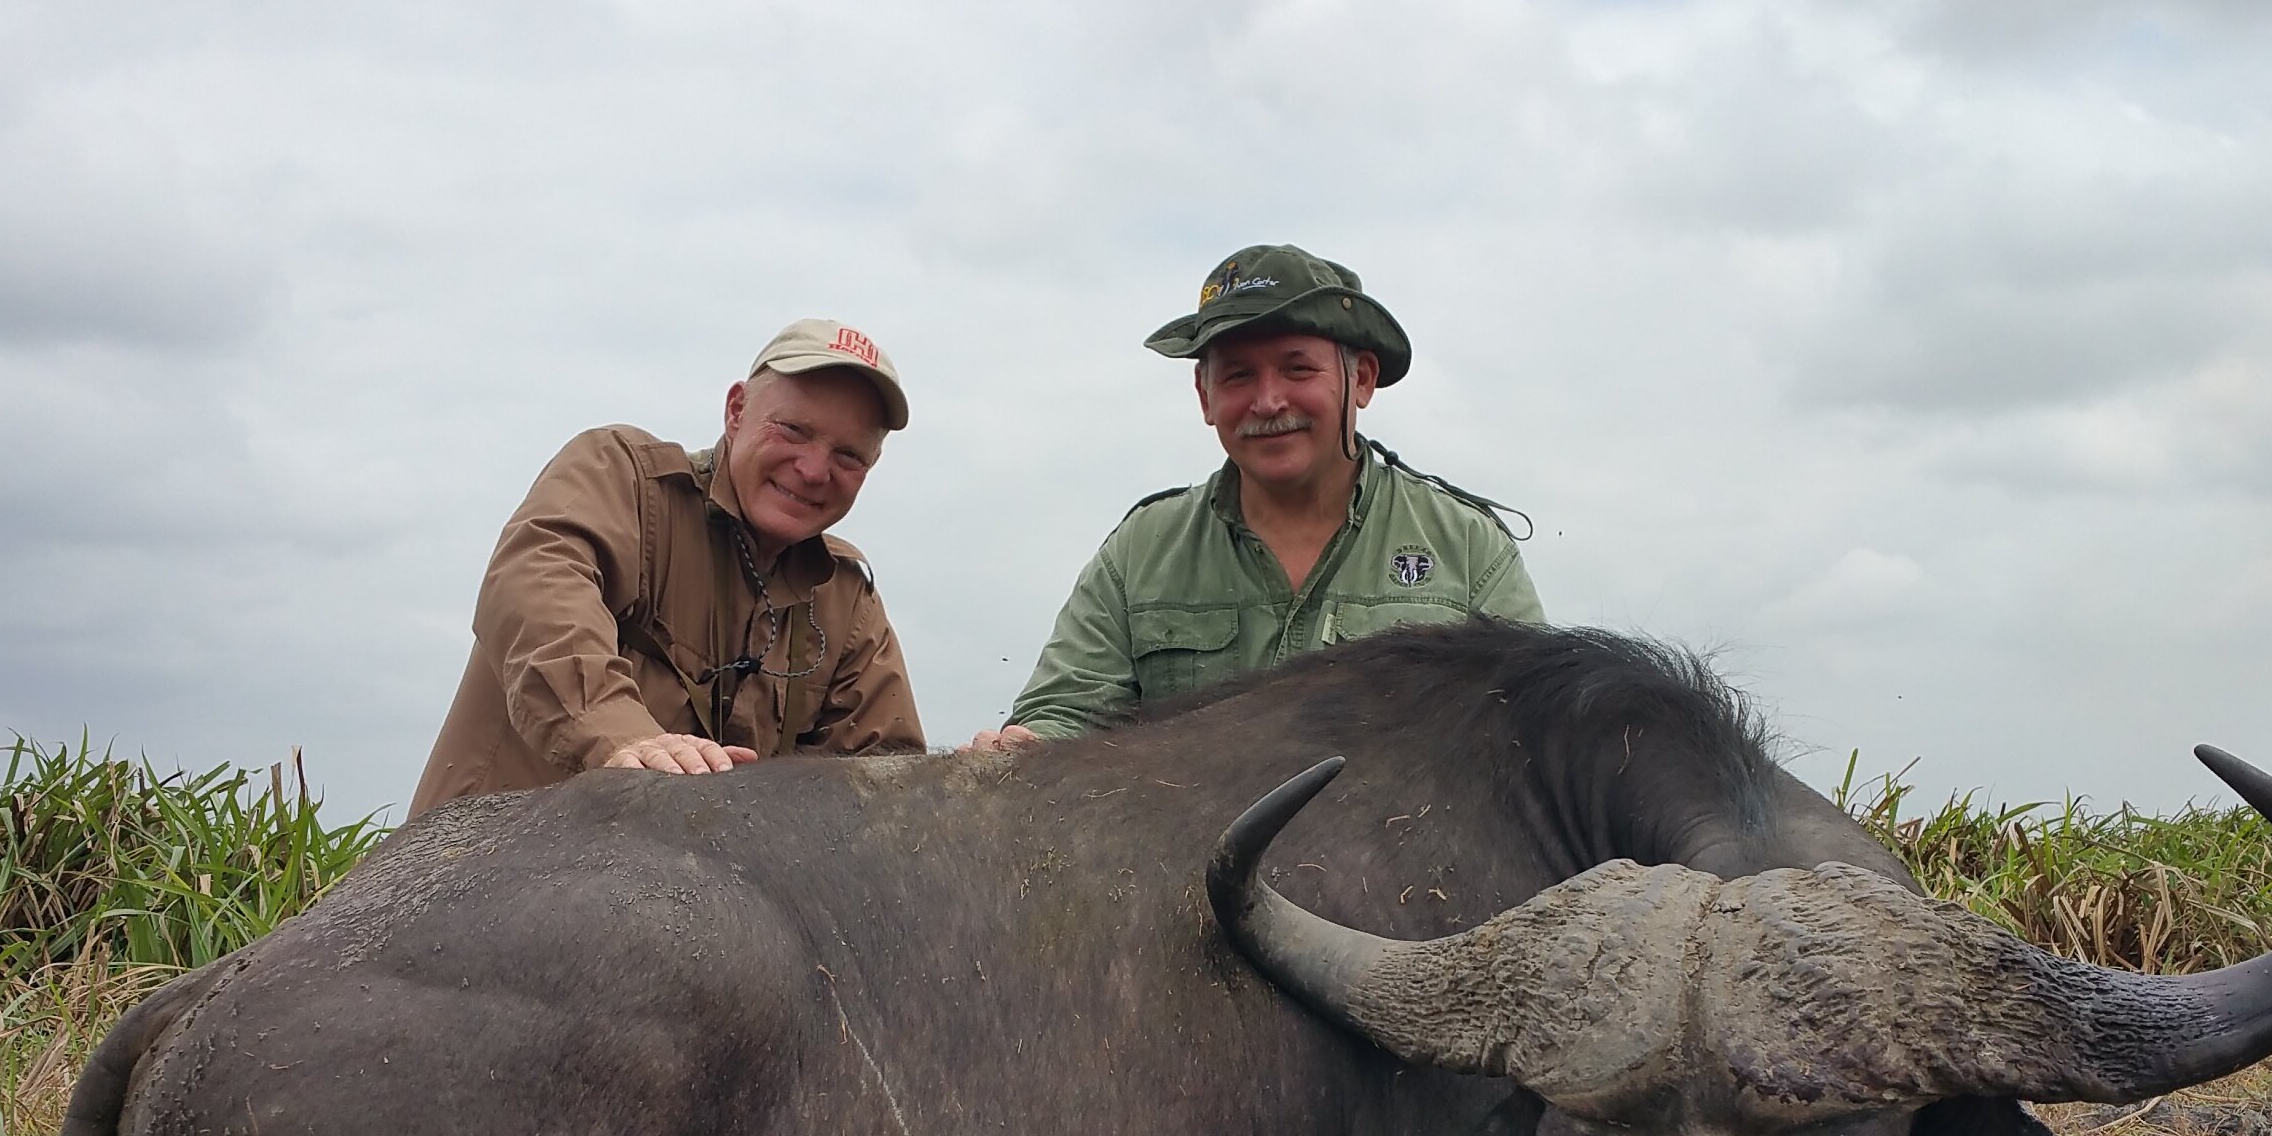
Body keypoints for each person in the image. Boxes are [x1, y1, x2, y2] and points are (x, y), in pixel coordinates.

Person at [975, 245, 1541, 747]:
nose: (1268, 402)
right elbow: (1064, 717)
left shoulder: (1468, 551)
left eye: (1297, 369)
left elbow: (1540, 735)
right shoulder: (1140, 553)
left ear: (1362, 379)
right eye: (1238, 376)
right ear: (1204, 396)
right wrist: (1026, 752)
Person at [410, 321, 923, 815]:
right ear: (736, 410)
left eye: (848, 455)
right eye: (792, 429)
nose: (813, 470)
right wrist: (623, 737)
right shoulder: (622, 477)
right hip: (480, 876)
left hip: (683, 899)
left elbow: (885, 785)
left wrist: (991, 773)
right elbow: (536, 587)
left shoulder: (847, 600)